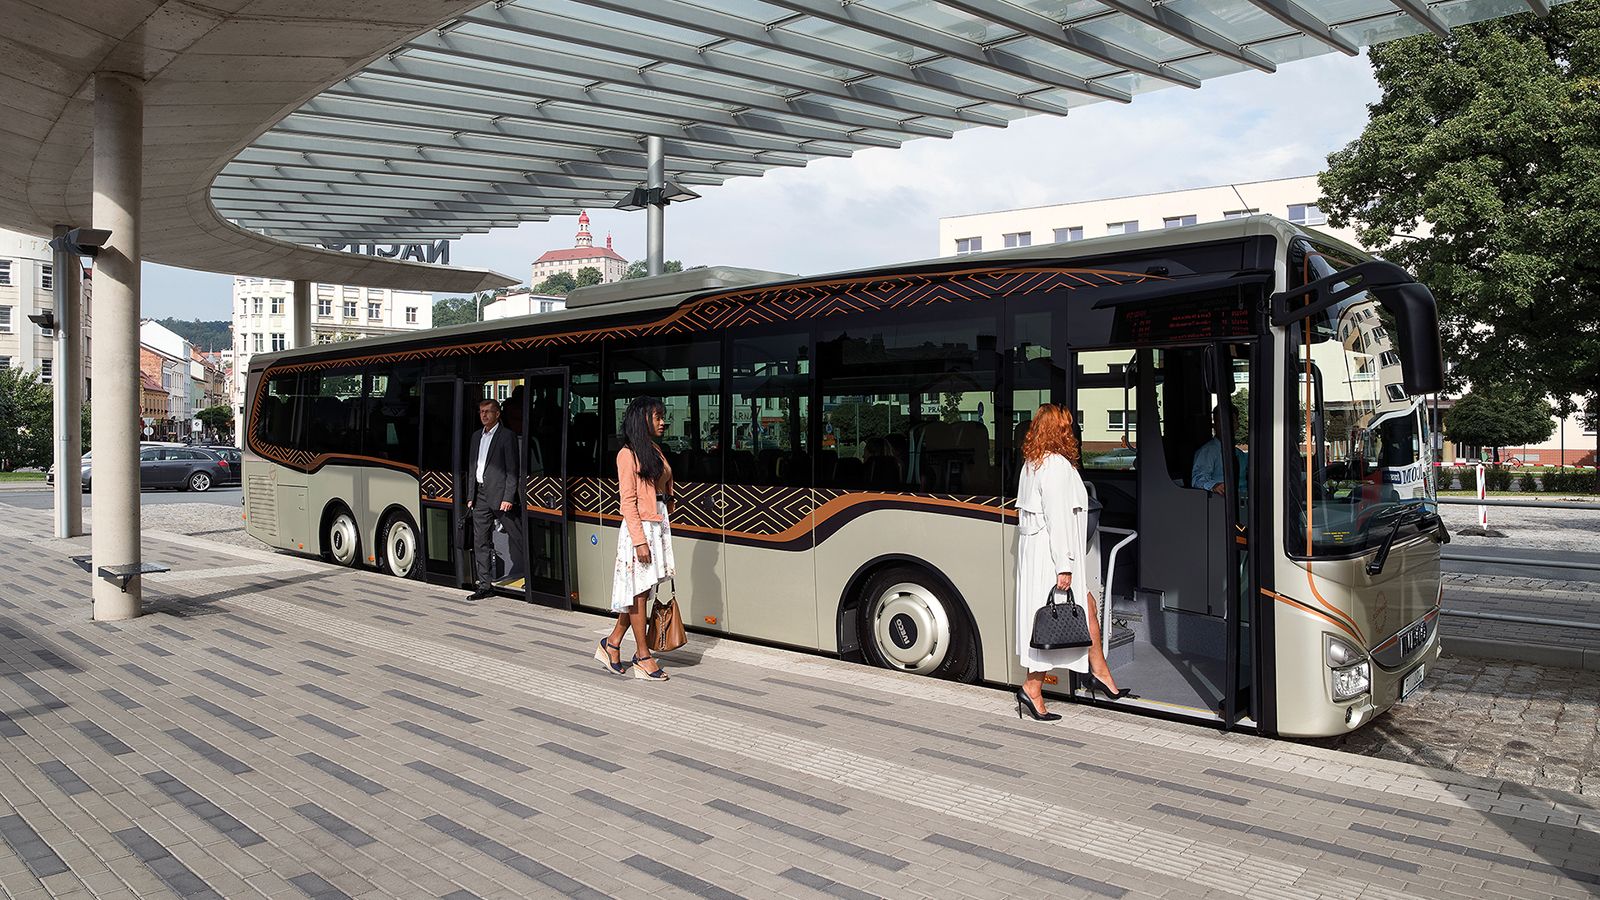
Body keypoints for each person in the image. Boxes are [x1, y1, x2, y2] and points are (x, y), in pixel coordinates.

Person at [1014, 404, 1130, 721]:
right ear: (1061, 430)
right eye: (1069, 426)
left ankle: (1101, 673)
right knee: (1046, 622)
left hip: (1038, 551)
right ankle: (1032, 689)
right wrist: (1064, 566)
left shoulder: (1033, 463)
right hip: (1051, 555)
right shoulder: (1055, 466)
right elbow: (1059, 519)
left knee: (1087, 606)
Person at [595, 397, 676, 681]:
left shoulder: (653, 450)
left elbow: (663, 488)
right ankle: (643, 656)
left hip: (656, 527)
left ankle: (612, 643)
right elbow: (627, 502)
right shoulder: (627, 455)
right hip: (639, 530)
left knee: (642, 592)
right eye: (657, 417)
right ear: (642, 420)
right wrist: (640, 541)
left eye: (662, 416)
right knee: (639, 594)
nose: (662, 421)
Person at [466, 398, 522, 600]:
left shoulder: (507, 436)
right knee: (480, 540)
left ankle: (534, 575)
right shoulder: (475, 437)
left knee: (518, 535)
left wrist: (508, 496)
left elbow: (512, 470)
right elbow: (473, 468)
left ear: (497, 414)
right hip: (479, 496)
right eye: (481, 411)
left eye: (488, 411)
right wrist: (470, 496)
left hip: (500, 497)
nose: (484, 415)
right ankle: (485, 584)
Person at [1191, 404, 1246, 494]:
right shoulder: (1207, 451)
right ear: (1214, 425)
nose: (1227, 425)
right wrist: (1214, 486)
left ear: (1237, 425)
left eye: (1231, 421)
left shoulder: (1240, 454)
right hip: (1221, 501)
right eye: (1222, 421)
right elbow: (1197, 480)